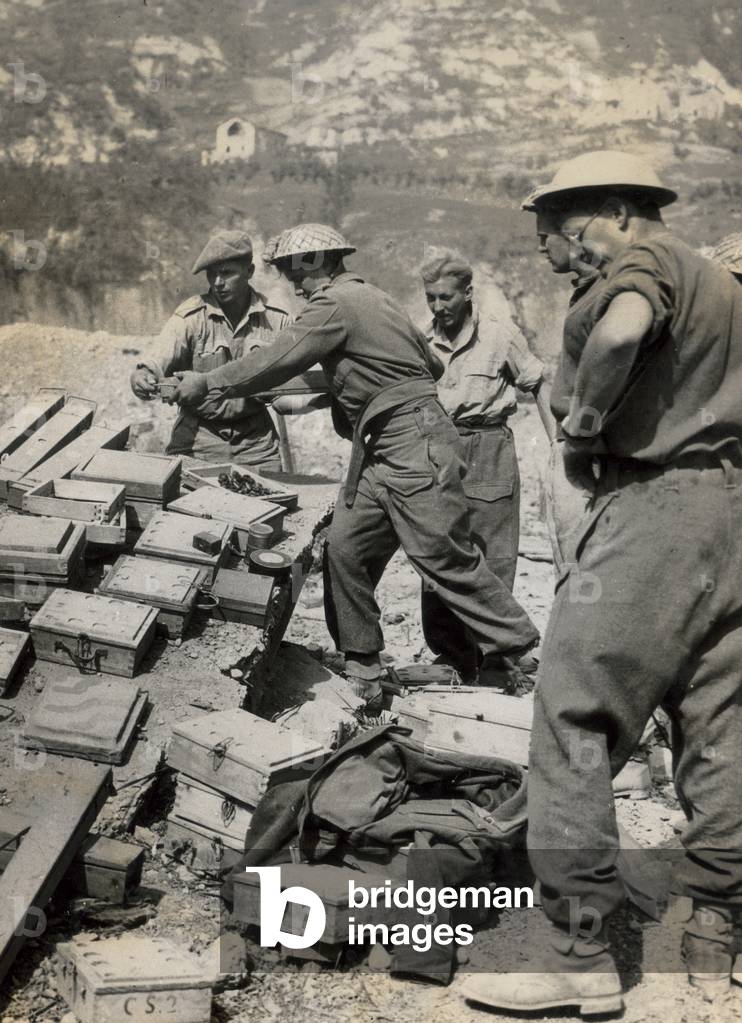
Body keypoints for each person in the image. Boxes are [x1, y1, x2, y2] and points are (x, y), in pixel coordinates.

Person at [462, 150, 742, 1014]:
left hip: (654, 509)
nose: (558, 251)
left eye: (565, 231)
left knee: (574, 709)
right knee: (719, 723)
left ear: (620, 209)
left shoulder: (647, 261)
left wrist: (584, 424)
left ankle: (577, 949)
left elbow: (621, 332)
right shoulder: (723, 284)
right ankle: (716, 933)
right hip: (731, 514)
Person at [168, 222, 539, 706]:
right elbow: (432, 366)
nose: (295, 289)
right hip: (382, 447)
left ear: (320, 265)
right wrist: (348, 380)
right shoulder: (377, 299)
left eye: (296, 277)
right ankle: (363, 666)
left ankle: (524, 652)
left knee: (442, 557)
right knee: (346, 548)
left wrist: (207, 382)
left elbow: (279, 358)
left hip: (411, 444)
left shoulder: (335, 303)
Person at [418, 251, 543, 682]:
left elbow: (537, 383)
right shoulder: (420, 339)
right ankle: (453, 657)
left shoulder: (499, 335)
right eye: (431, 298)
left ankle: (497, 659)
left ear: (468, 293)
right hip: (438, 447)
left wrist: (558, 447)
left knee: (493, 554)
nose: (438, 307)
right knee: (439, 551)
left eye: (446, 297)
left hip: (489, 447)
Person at [130, 229, 289, 470]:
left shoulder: (276, 319)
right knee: (179, 490)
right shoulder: (192, 316)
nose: (217, 283)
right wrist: (142, 374)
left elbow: (295, 376)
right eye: (211, 274)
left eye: (226, 273)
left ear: (249, 272)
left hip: (257, 444)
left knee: (272, 492)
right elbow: (159, 357)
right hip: (198, 439)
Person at [521, 190, 601, 574]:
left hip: (591, 461)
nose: (540, 248)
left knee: (583, 573)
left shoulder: (604, 296)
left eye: (544, 238)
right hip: (575, 452)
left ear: (573, 238)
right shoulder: (585, 293)